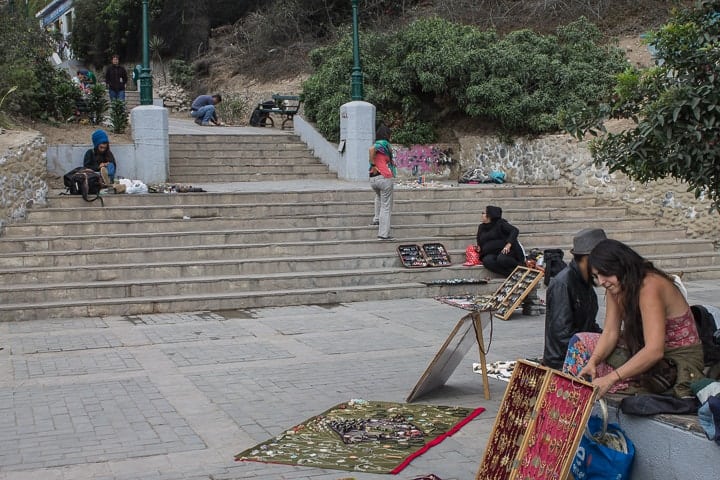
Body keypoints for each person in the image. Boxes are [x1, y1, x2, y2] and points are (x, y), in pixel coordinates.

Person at [563, 239, 704, 398]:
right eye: (596, 276)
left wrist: (610, 378)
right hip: (638, 347)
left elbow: (654, 351)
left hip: (675, 359)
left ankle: (577, 407)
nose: (601, 281)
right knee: (580, 344)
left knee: (607, 381)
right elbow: (610, 332)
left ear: (621, 266)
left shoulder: (649, 286)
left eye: (604, 273)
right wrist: (592, 362)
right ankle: (570, 410)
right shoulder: (615, 286)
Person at [542, 228, 607, 370]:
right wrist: (594, 347)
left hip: (579, 353)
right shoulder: (563, 284)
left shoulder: (585, 281)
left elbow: (588, 325)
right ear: (588, 258)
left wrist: (607, 338)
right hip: (563, 361)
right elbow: (562, 335)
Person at [475, 206, 524, 276]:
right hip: (491, 253)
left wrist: (509, 244)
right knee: (487, 261)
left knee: (501, 259)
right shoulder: (481, 227)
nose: (482, 215)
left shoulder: (500, 223)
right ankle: (510, 274)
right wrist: (479, 247)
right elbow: (479, 239)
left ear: (490, 215)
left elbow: (514, 230)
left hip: (507, 251)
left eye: (483, 213)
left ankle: (521, 267)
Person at [369, 125, 396, 240]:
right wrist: (374, 164)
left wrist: (374, 165)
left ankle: (376, 219)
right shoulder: (384, 144)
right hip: (384, 177)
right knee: (386, 206)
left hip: (373, 178)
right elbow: (371, 149)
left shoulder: (382, 146)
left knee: (378, 197)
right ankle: (383, 234)